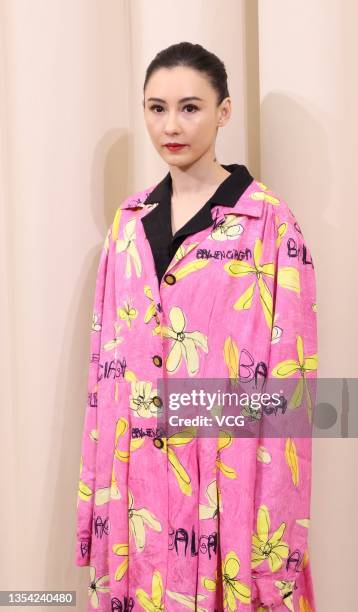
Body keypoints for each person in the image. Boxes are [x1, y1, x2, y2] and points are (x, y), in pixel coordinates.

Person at [75, 41, 318, 612]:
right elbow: (102, 374)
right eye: (156, 108)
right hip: (134, 495)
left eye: (190, 107)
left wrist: (273, 547)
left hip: (225, 493)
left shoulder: (269, 223)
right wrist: (94, 512)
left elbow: (292, 391)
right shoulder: (128, 224)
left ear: (224, 111)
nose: (171, 125)